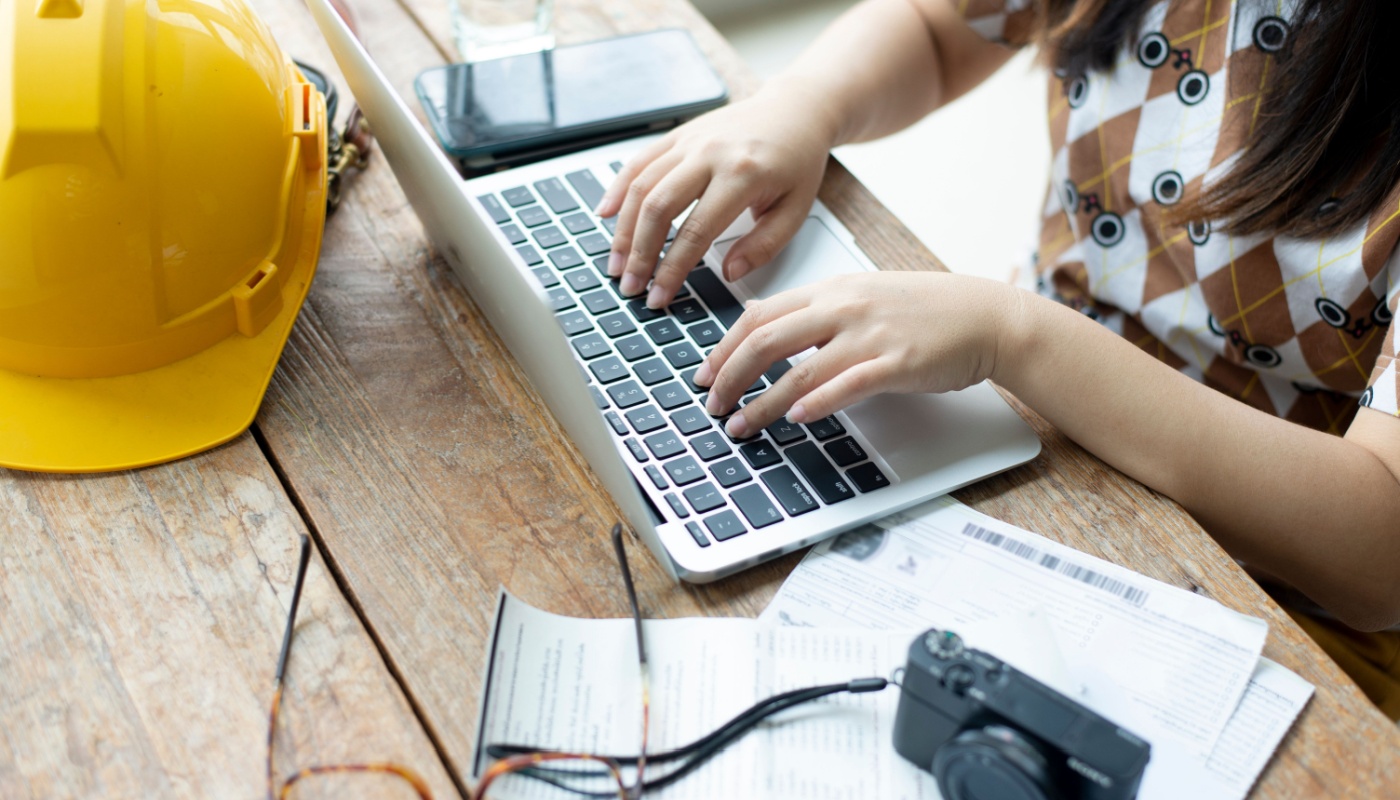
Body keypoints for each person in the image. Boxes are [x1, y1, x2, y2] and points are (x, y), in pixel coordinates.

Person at [593, 0, 1400, 718]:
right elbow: (940, 29)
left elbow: (1377, 553)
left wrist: (1015, 334)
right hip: (1034, 431)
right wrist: (803, 104)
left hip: (1274, 591)